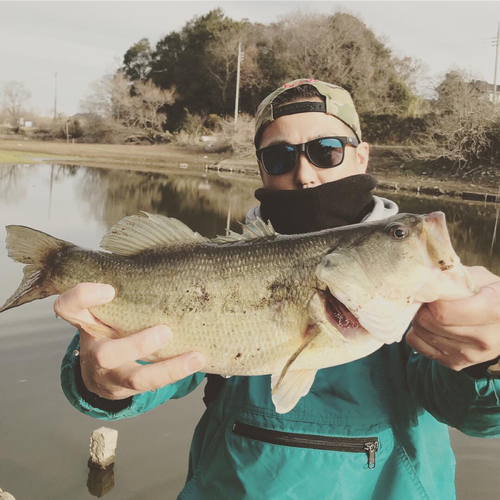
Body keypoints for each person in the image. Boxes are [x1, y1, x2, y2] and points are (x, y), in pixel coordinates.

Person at [59, 79, 500, 499]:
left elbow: (472, 412)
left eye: (327, 151)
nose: (305, 174)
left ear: (362, 157)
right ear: (261, 169)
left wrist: (491, 363)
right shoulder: (215, 265)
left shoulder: (412, 277)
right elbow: (148, 364)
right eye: (280, 157)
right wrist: (96, 376)